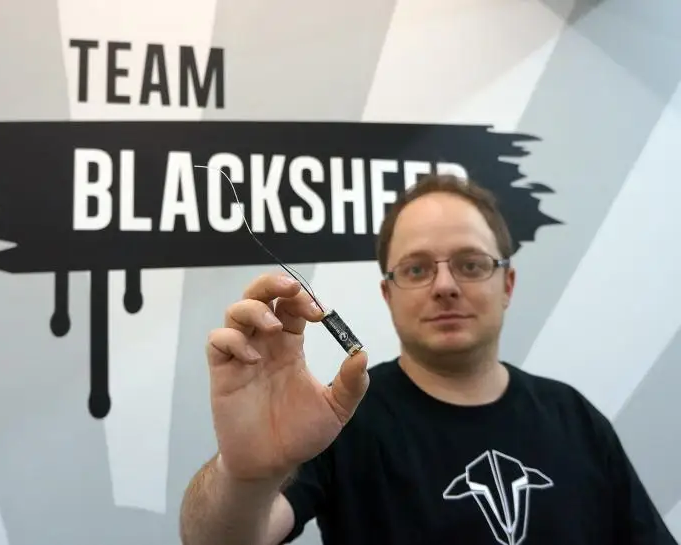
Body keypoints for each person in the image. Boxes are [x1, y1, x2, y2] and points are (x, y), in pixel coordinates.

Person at [178, 173, 677, 545]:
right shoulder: (337, 418)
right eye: (416, 269)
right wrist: (245, 477)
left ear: (507, 284)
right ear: (388, 294)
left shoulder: (576, 419)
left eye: (471, 264)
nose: (445, 286)